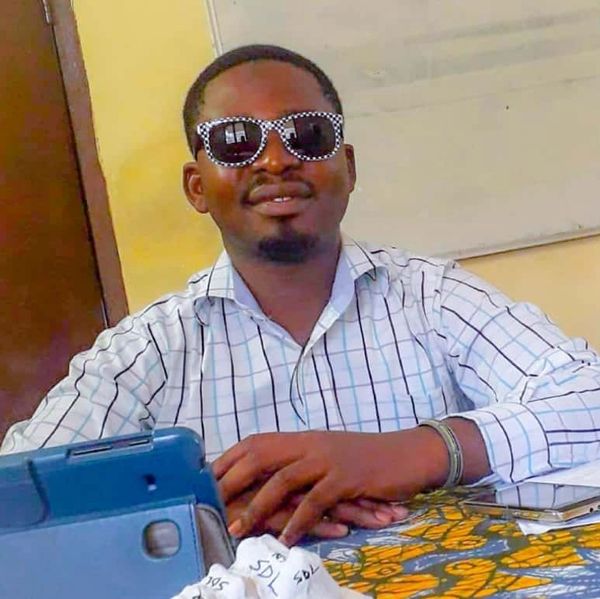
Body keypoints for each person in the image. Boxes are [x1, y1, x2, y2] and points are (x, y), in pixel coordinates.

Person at [3, 45, 600, 546]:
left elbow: (587, 395)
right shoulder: (149, 351)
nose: (275, 160)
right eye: (235, 141)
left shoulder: (432, 297)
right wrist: (203, 511)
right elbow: (18, 499)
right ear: (197, 187)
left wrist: (416, 452)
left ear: (348, 167)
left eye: (307, 135)